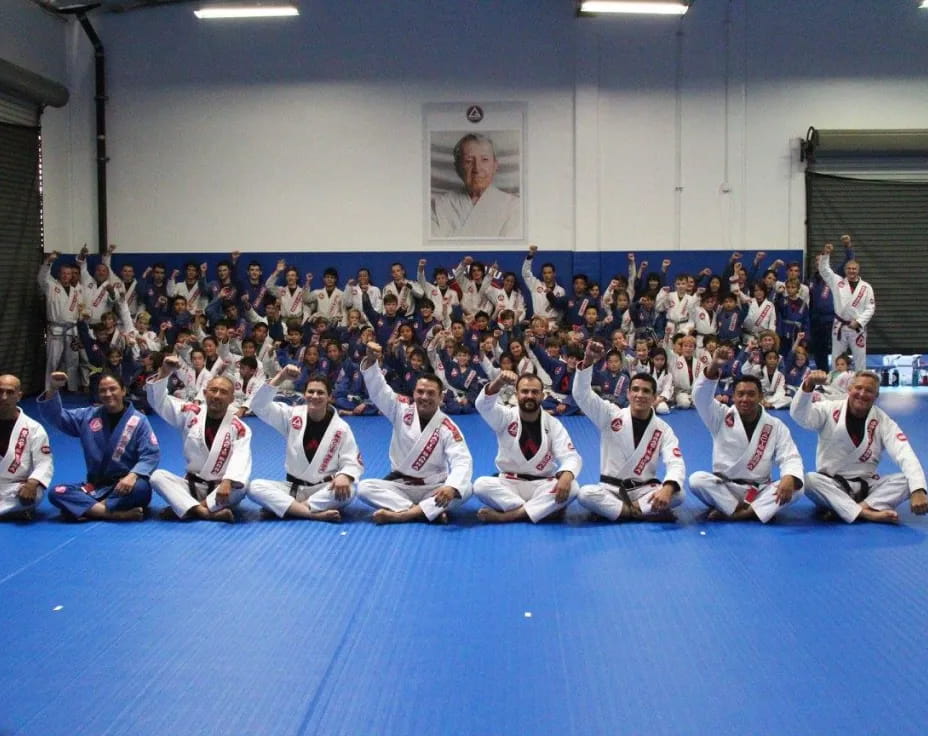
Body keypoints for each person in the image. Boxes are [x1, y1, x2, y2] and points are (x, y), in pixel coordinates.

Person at [790, 369, 927, 524]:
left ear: (876, 396)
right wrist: (808, 385)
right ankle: (867, 513)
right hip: (833, 485)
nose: (862, 394)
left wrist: (918, 489)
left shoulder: (883, 421)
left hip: (867, 488)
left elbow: (905, 453)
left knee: (910, 481)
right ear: (849, 389)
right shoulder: (829, 409)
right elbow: (799, 415)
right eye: (858, 388)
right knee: (809, 480)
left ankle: (851, 509)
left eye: (869, 391)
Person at [357, 342, 473, 524]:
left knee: (466, 489)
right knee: (364, 488)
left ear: (441, 397)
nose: (424, 397)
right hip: (401, 485)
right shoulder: (400, 408)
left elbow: (462, 460)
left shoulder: (448, 427)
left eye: (430, 393)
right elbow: (380, 390)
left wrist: (451, 487)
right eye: (420, 392)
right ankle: (427, 511)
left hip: (434, 487)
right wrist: (372, 361)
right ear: (414, 392)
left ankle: (403, 513)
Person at [689, 346, 804, 522]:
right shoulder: (720, 416)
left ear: (760, 396)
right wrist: (714, 367)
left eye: (751, 394)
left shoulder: (774, 425)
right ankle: (749, 511)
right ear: (733, 396)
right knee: (697, 480)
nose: (745, 399)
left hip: (758, 490)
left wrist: (788, 477)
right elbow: (700, 397)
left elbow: (790, 456)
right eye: (740, 394)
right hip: (725, 487)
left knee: (797, 488)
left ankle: (736, 512)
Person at [573, 343, 685, 521]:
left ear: (654, 397)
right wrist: (587, 362)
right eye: (635, 389)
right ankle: (636, 511)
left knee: (679, 495)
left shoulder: (663, 429)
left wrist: (669, 487)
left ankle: (622, 511)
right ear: (628, 393)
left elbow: (675, 462)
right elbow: (582, 396)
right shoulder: (611, 415)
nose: (640, 395)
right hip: (611, 489)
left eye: (646, 391)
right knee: (585, 494)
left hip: (644, 490)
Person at [37, 371, 158, 521]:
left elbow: (151, 454)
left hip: (125, 486)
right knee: (56, 492)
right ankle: (111, 513)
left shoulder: (139, 421)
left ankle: (87, 509)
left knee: (142, 489)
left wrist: (132, 476)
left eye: (113, 389)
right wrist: (53, 388)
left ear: (123, 390)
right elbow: (56, 417)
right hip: (96, 487)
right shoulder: (87, 416)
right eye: (102, 390)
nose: (108, 394)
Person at [248, 367, 363, 522]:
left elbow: (352, 461)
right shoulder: (292, 415)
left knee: (350, 490)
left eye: (320, 393)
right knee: (254, 487)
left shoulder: (341, 428)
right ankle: (308, 512)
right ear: (304, 394)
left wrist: (344, 476)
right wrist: (281, 377)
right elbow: (259, 406)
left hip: (323, 489)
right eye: (311, 392)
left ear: (330, 397)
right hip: (292, 488)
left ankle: (288, 508)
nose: (314, 396)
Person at [146, 357, 252, 522]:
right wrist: (165, 372)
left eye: (223, 392)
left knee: (243, 488)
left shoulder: (240, 428)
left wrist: (228, 481)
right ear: (205, 393)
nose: (217, 396)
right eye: (213, 390)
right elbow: (159, 403)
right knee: (157, 477)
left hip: (221, 489)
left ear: (232, 399)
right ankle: (204, 512)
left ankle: (187, 507)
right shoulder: (191, 412)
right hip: (191, 485)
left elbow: (241, 458)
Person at [472, 371, 581, 523]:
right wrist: (498, 382)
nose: (529, 396)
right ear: (516, 395)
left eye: (535, 392)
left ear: (542, 396)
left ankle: (511, 515)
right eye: (524, 391)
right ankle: (541, 510)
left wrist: (567, 475)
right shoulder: (505, 417)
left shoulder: (553, 424)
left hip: (542, 484)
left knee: (573, 487)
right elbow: (483, 405)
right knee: (480, 485)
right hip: (509, 483)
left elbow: (570, 456)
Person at [431, 133, 520, 238]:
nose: (477, 169)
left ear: (495, 165)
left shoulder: (513, 206)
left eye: (485, 160)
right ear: (457, 167)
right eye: (469, 161)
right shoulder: (439, 205)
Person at [0, 375, 53, 520]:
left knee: (35, 494)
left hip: (16, 487)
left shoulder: (34, 428)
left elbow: (44, 462)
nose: (4, 397)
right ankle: (10, 512)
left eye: (10, 392)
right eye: (0, 392)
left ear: (19, 395)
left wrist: (32, 482)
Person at [818, 241, 875, 371]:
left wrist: (859, 322)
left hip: (857, 327)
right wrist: (826, 254)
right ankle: (835, 384)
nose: (851, 271)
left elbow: (870, 308)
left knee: (859, 357)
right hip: (840, 325)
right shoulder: (837, 281)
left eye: (854, 269)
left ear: (858, 270)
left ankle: (861, 383)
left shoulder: (866, 287)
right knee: (836, 357)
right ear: (845, 270)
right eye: (849, 269)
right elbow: (824, 270)